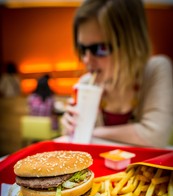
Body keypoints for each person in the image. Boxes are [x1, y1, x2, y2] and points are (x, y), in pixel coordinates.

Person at [61, 0, 173, 147]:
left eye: (100, 48)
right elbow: (78, 144)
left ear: (131, 44)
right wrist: (70, 128)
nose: (87, 59)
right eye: (83, 49)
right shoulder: (85, 83)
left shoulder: (155, 70)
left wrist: (92, 132)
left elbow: (155, 137)